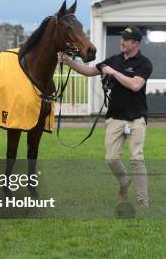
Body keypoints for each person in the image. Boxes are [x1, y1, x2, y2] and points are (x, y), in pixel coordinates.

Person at [59, 26, 153, 205]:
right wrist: (67, 61)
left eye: (126, 39)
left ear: (136, 43)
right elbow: (88, 71)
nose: (122, 42)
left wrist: (113, 72)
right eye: (122, 38)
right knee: (111, 159)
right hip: (115, 117)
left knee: (136, 159)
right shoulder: (113, 60)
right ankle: (124, 182)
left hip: (137, 118)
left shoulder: (144, 63)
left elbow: (135, 85)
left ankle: (143, 201)